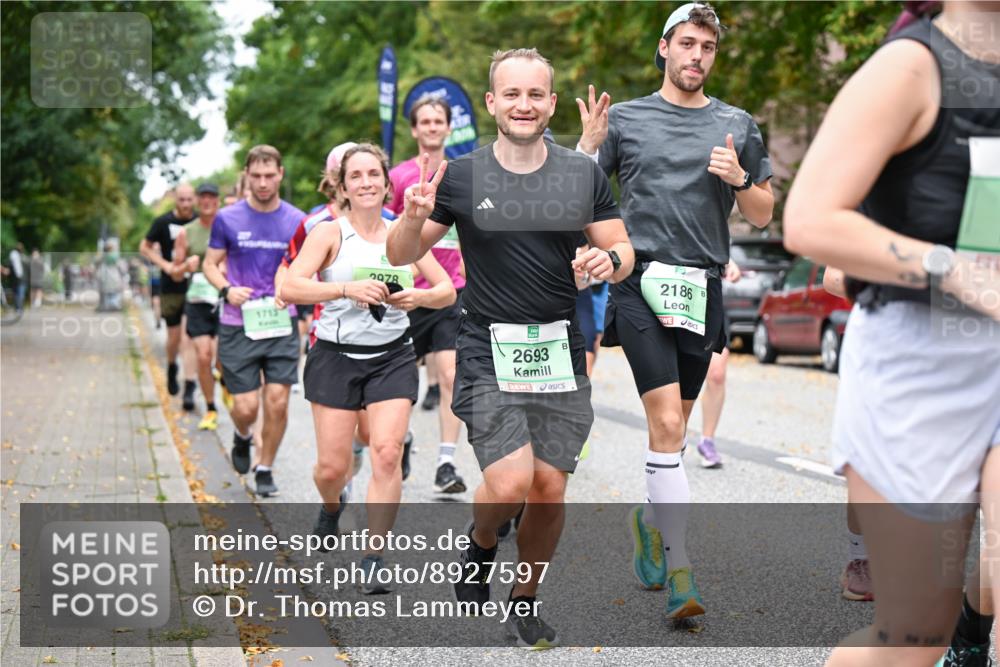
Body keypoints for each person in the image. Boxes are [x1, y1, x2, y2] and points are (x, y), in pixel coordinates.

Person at [387, 47, 634, 649]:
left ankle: (524, 600)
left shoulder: (582, 174)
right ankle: (482, 541)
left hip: (558, 349)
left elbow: (623, 253)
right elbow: (398, 255)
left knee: (548, 487)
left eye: (536, 94)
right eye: (512, 94)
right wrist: (412, 219)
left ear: (550, 103)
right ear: (493, 102)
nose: (524, 105)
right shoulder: (463, 175)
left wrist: (609, 260)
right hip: (485, 347)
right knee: (508, 484)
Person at [782, 1, 1000, 664]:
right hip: (921, 369)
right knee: (915, 637)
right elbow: (811, 221)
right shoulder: (912, 66)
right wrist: (952, 268)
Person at [577, 2, 774, 620]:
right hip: (638, 281)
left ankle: (650, 516)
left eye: (707, 47)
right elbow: (579, 198)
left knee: (676, 433)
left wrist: (741, 178)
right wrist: (586, 147)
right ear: (665, 48)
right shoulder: (627, 120)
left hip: (702, 287)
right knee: (664, 424)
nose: (696, 56)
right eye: (686, 43)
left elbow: (764, 211)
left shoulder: (737, 124)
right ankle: (683, 575)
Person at [282, 142, 455, 591]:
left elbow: (446, 290)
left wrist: (417, 297)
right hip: (335, 358)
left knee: (385, 452)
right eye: (355, 176)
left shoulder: (404, 233)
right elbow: (292, 287)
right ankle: (332, 506)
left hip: (393, 356)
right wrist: (346, 291)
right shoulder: (328, 233)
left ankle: (373, 556)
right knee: (331, 469)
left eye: (373, 175)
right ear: (342, 186)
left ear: (385, 183)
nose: (365, 183)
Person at [203, 145, 305, 498]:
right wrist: (227, 289)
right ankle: (243, 435)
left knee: (277, 400)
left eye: (269, 175)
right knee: (246, 407)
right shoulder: (228, 218)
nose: (263, 183)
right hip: (238, 322)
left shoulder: (297, 220)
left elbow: (305, 267)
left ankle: (265, 467)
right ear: (247, 175)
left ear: (280, 174)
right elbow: (209, 264)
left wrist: (291, 290)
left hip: (280, 320)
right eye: (256, 176)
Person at [388, 94, 468, 494]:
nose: (433, 127)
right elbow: (384, 230)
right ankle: (400, 439)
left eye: (439, 121)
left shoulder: (464, 172)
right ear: (415, 129)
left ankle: (446, 462)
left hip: (450, 291)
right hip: (405, 293)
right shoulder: (399, 175)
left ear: (449, 127)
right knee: (403, 382)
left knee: (452, 374)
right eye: (426, 121)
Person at [140, 184, 197, 397]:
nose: (185, 204)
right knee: (173, 337)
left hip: (196, 287)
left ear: (195, 200)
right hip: (171, 287)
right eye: (181, 200)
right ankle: (172, 366)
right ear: (175, 199)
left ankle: (189, 385)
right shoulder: (163, 222)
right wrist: (165, 265)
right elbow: (144, 247)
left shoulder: (201, 221)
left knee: (187, 335)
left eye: (189, 199)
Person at [176, 183, 222, 431]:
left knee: (221, 358)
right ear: (196, 201)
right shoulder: (186, 232)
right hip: (197, 301)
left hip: (224, 299)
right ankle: (211, 407)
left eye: (211, 197)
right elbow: (175, 271)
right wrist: (186, 267)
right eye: (202, 197)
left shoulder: (227, 225)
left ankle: (225, 383)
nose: (207, 202)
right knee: (203, 356)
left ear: (218, 201)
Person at [695, 259, 741, 468]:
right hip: (673, 292)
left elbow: (717, 237)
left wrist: (729, 261)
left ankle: (707, 441)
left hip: (710, 293)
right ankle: (672, 433)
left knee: (717, 373)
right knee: (676, 372)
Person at [8, 243, 25, 312]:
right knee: (17, 293)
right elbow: (17, 268)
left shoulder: (15, 254)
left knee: (16, 293)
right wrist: (19, 276)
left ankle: (18, 307)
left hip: (15, 277)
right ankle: (18, 308)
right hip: (16, 277)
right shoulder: (15, 255)